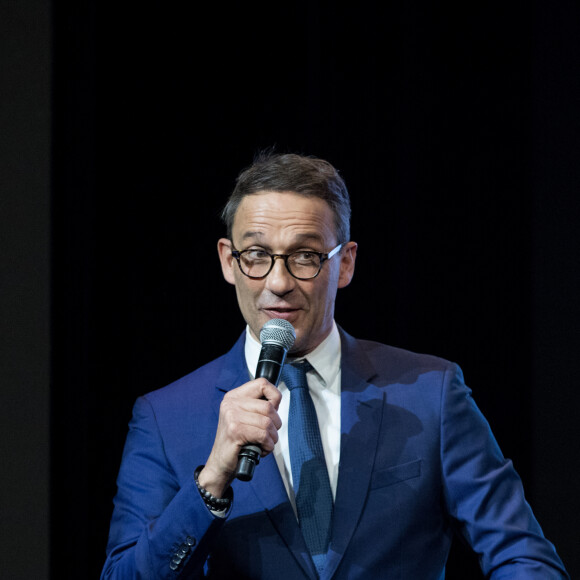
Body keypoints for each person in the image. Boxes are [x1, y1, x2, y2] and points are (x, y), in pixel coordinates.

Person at [101, 152, 569, 579]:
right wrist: (212, 480)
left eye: (305, 256)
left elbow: (523, 557)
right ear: (228, 261)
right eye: (258, 256)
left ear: (344, 264)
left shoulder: (431, 392)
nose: (279, 282)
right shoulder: (165, 417)